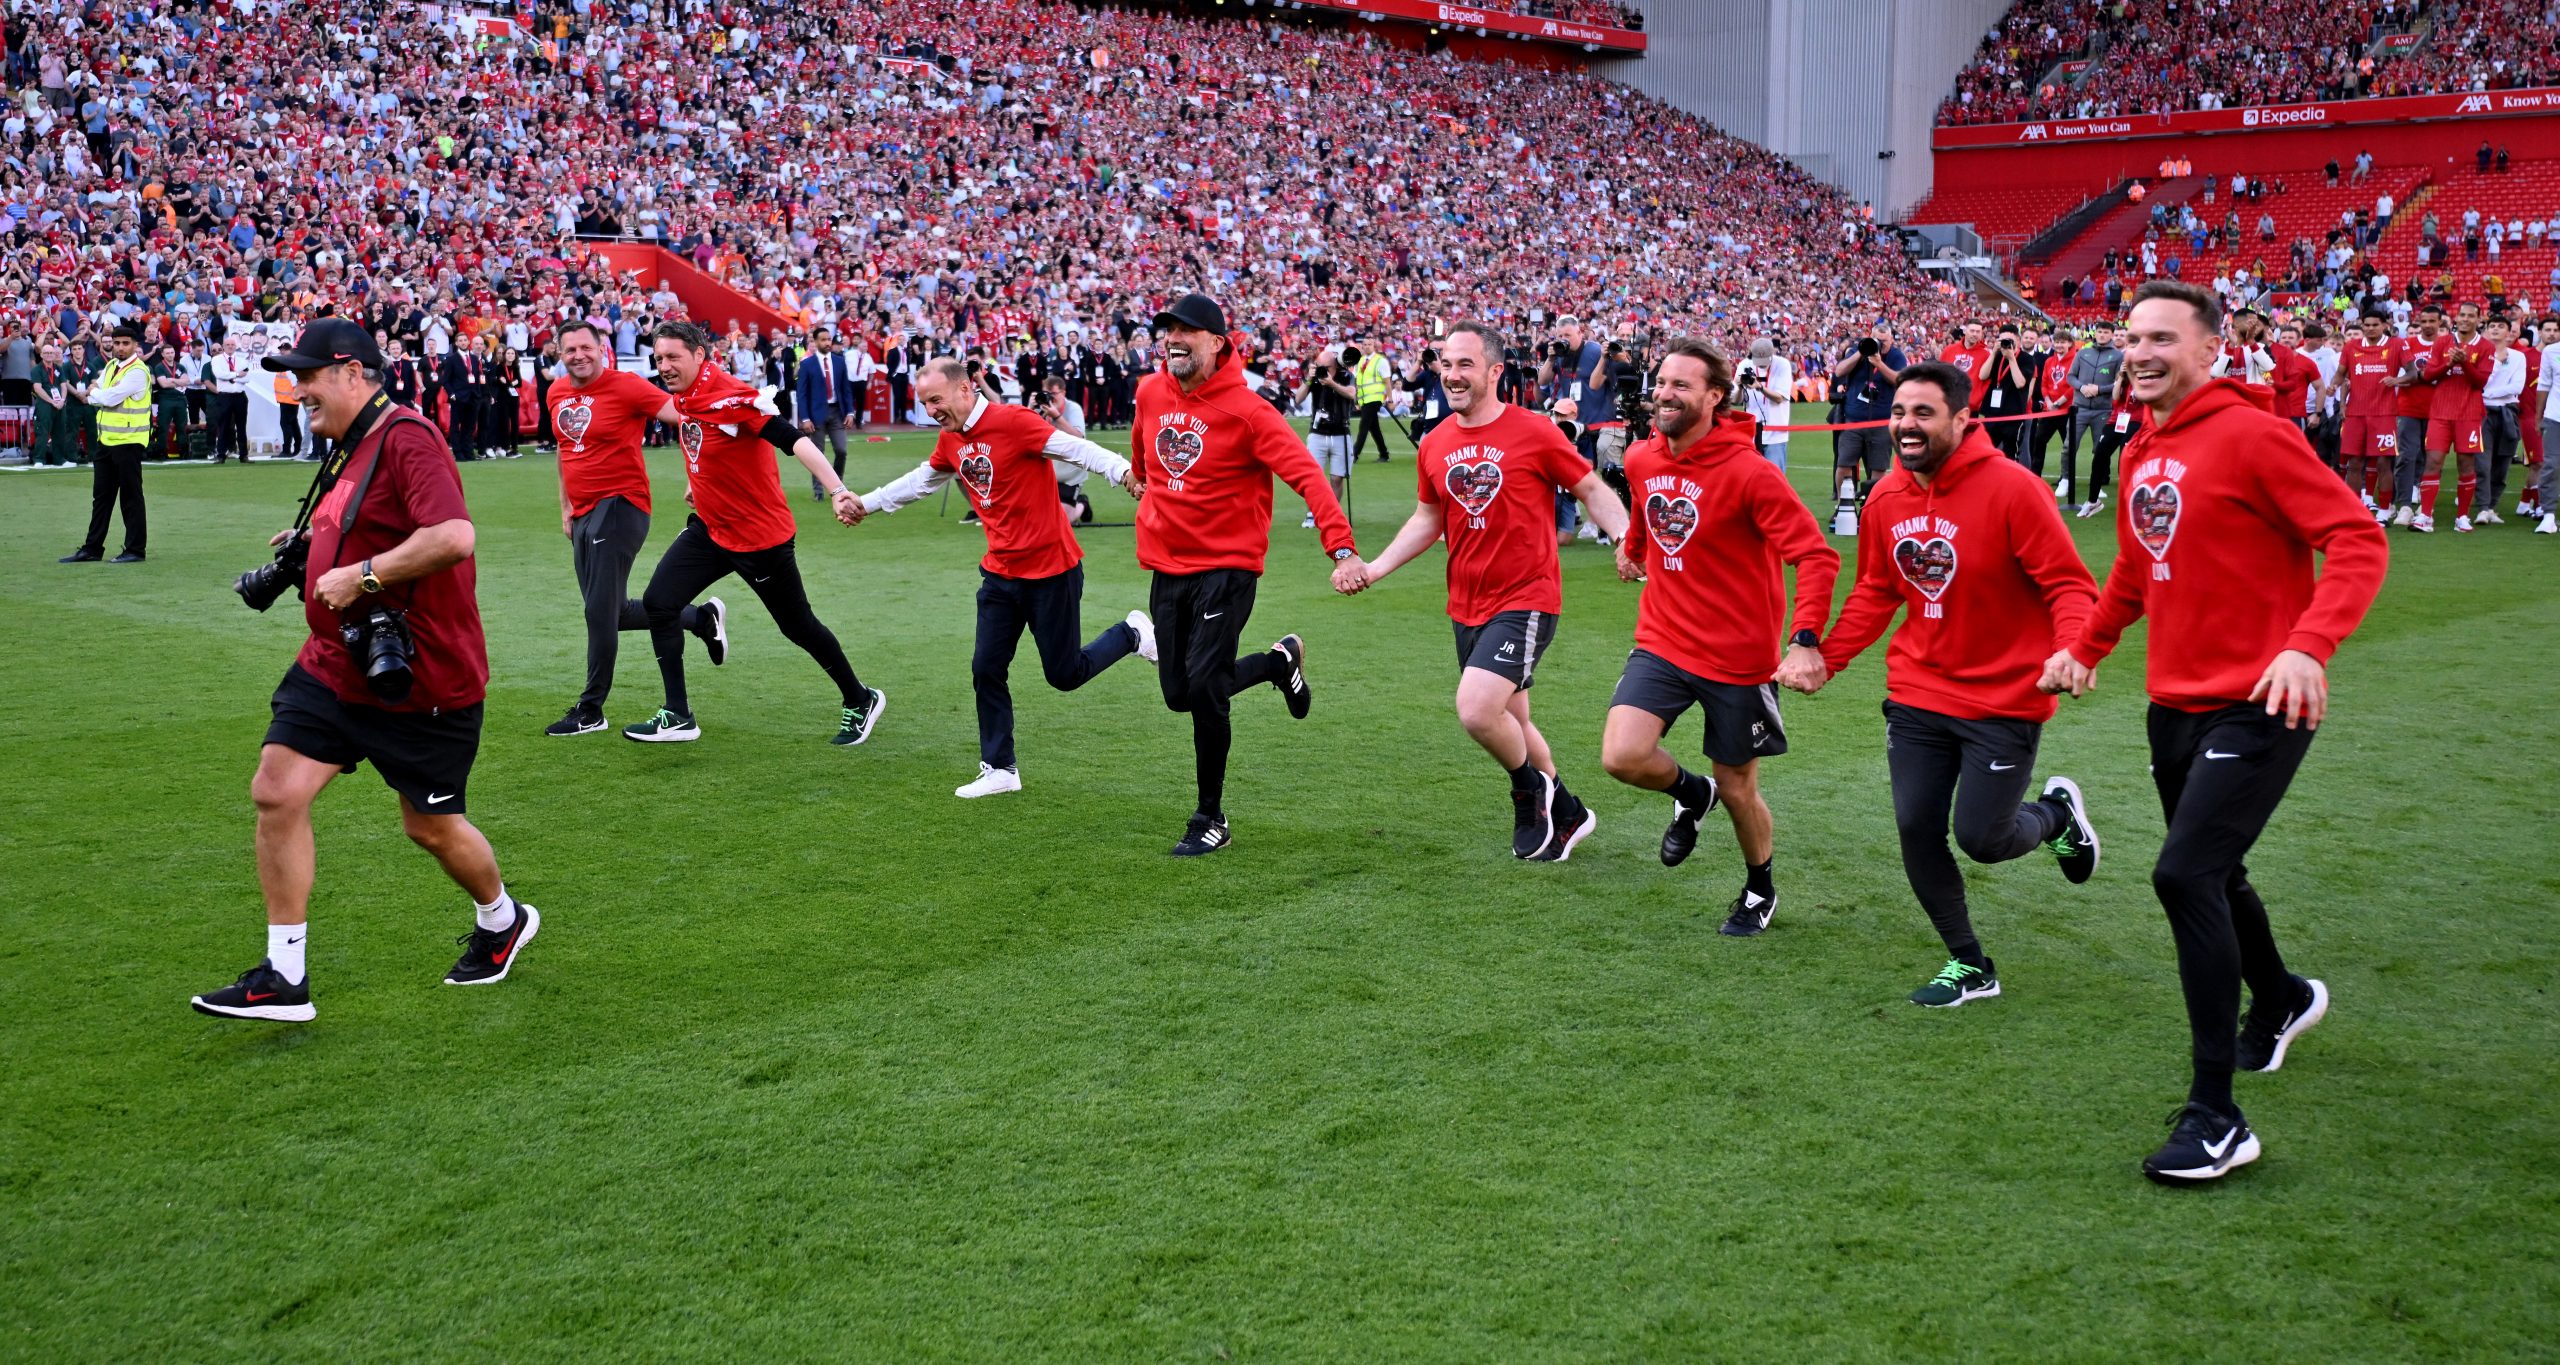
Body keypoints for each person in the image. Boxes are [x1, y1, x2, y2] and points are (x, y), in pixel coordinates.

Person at [2043, 280, 2389, 1185]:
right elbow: (2132, 567)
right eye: (2131, 336)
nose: (2141, 351)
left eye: (2162, 336)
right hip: (2175, 701)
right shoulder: (2142, 451)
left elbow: (2357, 538)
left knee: (2183, 872)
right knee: (2217, 869)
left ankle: (2216, 1116)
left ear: (2209, 349)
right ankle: (2278, 998)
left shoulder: (2257, 435)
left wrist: (2309, 645)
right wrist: (2085, 647)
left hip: (2265, 699)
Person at [189, 318, 538, 1022]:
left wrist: (364, 573)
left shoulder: (406, 437)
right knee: (277, 790)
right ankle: (285, 975)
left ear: (353, 372)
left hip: (419, 677)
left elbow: (453, 536)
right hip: (336, 661)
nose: (297, 390)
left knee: (430, 828)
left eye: (308, 376)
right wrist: (317, 542)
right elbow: (369, 522)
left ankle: (502, 919)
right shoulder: (350, 442)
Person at [1795, 361, 2100, 1006]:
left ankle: (2055, 816)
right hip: (1917, 693)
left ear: (1963, 419)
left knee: (1983, 840)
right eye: (1900, 411)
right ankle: (1969, 963)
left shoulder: (2015, 491)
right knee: (1916, 826)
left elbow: (2069, 585)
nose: (1906, 424)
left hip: (2003, 698)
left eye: (1923, 413)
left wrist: (2073, 649)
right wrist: (1829, 657)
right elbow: (1878, 591)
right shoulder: (1885, 496)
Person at [1332, 322, 1630, 860]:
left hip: (1527, 597)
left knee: (1475, 709)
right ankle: (1569, 812)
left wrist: (1627, 536)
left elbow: (1589, 487)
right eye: (1446, 364)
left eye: (1465, 364)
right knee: (1513, 719)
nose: (1452, 375)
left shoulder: (1536, 432)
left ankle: (1528, 792)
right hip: (1466, 604)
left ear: (1495, 372)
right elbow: (1429, 518)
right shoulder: (1437, 442)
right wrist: (1375, 568)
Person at [1603, 339, 1839, 937]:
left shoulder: (1749, 474)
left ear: (1715, 396)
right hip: (1663, 637)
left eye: (1682, 385)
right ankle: (1691, 792)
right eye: (1662, 382)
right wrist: (1633, 549)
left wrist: (1805, 639)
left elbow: (1816, 555)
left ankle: (1760, 888)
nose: (1665, 393)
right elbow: (1646, 514)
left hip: (1739, 659)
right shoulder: (1641, 457)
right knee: (1622, 756)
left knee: (1740, 790)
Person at [849, 357, 1152, 797]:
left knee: (1064, 675)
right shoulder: (950, 439)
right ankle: (1000, 768)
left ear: (966, 389)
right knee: (986, 667)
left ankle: (1132, 633)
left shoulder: (1013, 422)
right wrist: (867, 502)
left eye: (936, 399)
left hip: (1052, 571)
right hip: (1000, 575)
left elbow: (1076, 450)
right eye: (924, 402)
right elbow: (922, 481)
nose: (931, 409)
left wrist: (1121, 470)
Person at [1131, 293, 1364, 856]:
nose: (1174, 340)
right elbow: (1143, 452)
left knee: (1206, 692)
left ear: (1217, 341)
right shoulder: (1149, 391)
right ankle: (1278, 662)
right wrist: (1140, 479)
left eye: (1187, 331)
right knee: (1179, 693)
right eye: (1168, 330)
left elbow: (1308, 477)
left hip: (1226, 568)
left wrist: (1342, 550)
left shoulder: (1250, 411)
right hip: (1167, 565)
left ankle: (1210, 816)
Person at [620, 322, 882, 747]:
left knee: (798, 626)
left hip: (760, 539)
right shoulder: (687, 394)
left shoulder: (732, 397)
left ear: (700, 355)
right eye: (659, 358)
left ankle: (860, 697)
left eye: (673, 357)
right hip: (711, 528)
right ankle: (678, 714)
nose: (664, 366)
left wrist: (836, 490)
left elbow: (794, 440)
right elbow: (704, 441)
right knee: (659, 602)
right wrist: (698, 480)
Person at [543, 320, 728, 737]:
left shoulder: (625, 386)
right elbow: (564, 447)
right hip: (585, 512)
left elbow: (686, 418)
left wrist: (698, 475)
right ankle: (700, 619)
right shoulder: (556, 392)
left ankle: (591, 710)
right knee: (612, 611)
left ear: (601, 347)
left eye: (586, 347)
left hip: (622, 506)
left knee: (596, 613)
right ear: (560, 353)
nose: (579, 356)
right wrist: (566, 506)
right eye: (570, 349)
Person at [58, 323, 151, 564]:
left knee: (131, 498)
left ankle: (135, 550)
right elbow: (99, 391)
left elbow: (105, 396)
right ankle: (92, 548)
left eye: (125, 343)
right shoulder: (111, 365)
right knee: (101, 498)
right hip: (107, 441)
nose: (119, 347)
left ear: (135, 346)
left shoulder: (138, 371)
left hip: (129, 441)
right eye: (116, 343)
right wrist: (99, 394)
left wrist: (97, 394)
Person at [2418, 301, 2493, 532]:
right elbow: (2428, 375)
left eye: (2471, 316)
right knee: (2433, 461)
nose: (2465, 319)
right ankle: (2425, 516)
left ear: (2479, 320)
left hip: (2469, 414)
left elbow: (2480, 382)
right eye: (2462, 315)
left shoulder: (2486, 347)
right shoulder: (2442, 342)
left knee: (2466, 464)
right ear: (2456, 318)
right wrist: (2449, 363)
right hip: (2440, 412)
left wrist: (2465, 363)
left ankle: (2462, 517)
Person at [2383, 303, 2448, 523]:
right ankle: (2404, 506)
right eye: (2424, 321)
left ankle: (2426, 506)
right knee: (2406, 456)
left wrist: (2419, 377)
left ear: (2441, 322)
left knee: (2432, 458)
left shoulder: (2448, 345)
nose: (2428, 325)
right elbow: (2403, 374)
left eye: (2432, 321)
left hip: (2439, 411)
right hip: (2408, 409)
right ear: (2418, 322)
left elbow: (2447, 378)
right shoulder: (2407, 344)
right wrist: (2423, 376)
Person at [2336, 312, 2401, 517]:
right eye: (2367, 325)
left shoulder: (2396, 345)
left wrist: (2397, 380)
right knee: (2354, 462)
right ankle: (2355, 510)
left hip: (2384, 413)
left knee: (2383, 462)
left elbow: (2412, 373)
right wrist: (2333, 388)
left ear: (2384, 325)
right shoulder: (2351, 347)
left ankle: (2383, 510)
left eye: (2375, 324)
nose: (2371, 328)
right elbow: (2341, 373)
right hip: (2356, 413)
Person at [1829, 325, 1906, 500]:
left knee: (1878, 468)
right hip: (1854, 420)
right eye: (1876, 340)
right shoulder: (1858, 350)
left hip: (1881, 421)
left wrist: (1879, 363)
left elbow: (1899, 380)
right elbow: (1839, 371)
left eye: (1884, 341)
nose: (1880, 344)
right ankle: (1843, 505)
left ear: (1892, 339)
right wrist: (1861, 352)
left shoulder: (1895, 356)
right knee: (1844, 464)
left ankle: (1871, 506)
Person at [2060, 324, 2125, 516]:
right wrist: (2081, 387)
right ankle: (2065, 479)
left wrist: (2099, 389)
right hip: (2079, 407)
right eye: (2100, 332)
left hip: (2103, 409)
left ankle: (2097, 486)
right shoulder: (2083, 353)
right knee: (2068, 445)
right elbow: (2071, 376)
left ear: (2111, 335)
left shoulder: (2118, 356)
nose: (2102, 335)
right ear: (2095, 334)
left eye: (2106, 332)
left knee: (2100, 450)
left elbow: (2119, 382)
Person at [795, 328, 857, 499]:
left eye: (829, 339)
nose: (827, 343)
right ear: (815, 342)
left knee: (842, 450)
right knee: (817, 454)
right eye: (823, 340)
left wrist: (850, 412)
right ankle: (818, 491)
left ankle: (837, 486)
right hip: (816, 416)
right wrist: (805, 418)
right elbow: (802, 394)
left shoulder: (839, 362)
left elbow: (846, 389)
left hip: (837, 412)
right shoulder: (807, 364)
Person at [1303, 344, 1357, 528]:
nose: (1322, 371)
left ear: (1334, 365)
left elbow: (1351, 394)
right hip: (1317, 433)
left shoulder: (1346, 376)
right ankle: (1313, 512)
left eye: (1325, 367)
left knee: (1337, 477)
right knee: (1313, 476)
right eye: (1319, 366)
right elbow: (1298, 398)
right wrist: (1309, 380)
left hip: (1341, 432)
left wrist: (1332, 384)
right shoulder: (1314, 378)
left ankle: (1333, 513)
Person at [2478, 318, 2526, 522]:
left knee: (2503, 461)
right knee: (2482, 461)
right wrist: (2496, 361)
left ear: (2509, 332)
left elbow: (2517, 387)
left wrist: (2488, 394)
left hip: (2508, 412)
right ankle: (2481, 506)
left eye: (2500, 327)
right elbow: (2479, 382)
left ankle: (2491, 507)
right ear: (2486, 331)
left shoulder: (2517, 357)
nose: (2495, 330)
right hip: (2483, 412)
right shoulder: (2480, 355)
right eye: (2492, 327)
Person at [1743, 338, 1792, 469]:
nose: (1760, 365)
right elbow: (1735, 399)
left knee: (1775, 479)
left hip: (1776, 432)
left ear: (1772, 354)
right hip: (1752, 433)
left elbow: (1780, 398)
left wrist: (1760, 388)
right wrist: (1738, 385)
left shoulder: (1783, 364)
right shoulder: (1745, 364)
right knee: (1752, 478)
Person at [1349, 335, 1397, 464]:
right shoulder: (1360, 361)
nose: (1366, 347)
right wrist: (1357, 399)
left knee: (1363, 426)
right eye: (1364, 345)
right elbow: (1357, 382)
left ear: (1373, 346)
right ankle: (1384, 454)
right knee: (1373, 428)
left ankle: (1354, 454)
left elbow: (1387, 382)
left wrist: (1390, 399)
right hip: (1365, 399)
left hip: (1375, 398)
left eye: (1369, 344)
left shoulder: (1380, 361)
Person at [29, 340, 77, 468]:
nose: (49, 355)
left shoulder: (59, 369)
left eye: (51, 352)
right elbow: (38, 388)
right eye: (46, 353)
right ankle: (39, 459)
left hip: (60, 404)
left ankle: (59, 459)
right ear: (42, 355)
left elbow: (63, 386)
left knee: (60, 431)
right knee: (43, 432)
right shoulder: (37, 370)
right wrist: (52, 401)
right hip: (44, 404)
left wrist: (62, 400)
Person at [209, 335, 254, 463]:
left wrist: (232, 377)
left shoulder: (242, 360)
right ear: (223, 347)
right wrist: (237, 374)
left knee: (241, 426)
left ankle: (243, 455)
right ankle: (221, 455)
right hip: (225, 396)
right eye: (228, 345)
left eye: (232, 345)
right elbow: (219, 374)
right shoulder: (217, 360)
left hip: (239, 396)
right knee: (223, 426)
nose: (230, 347)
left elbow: (247, 378)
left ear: (235, 347)